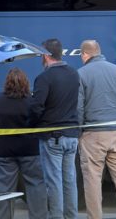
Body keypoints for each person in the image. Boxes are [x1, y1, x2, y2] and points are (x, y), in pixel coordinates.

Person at [77, 40, 116, 219]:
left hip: (93, 133)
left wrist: (79, 133)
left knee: (92, 179)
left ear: (85, 54)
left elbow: (79, 107)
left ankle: (95, 216)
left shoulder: (81, 74)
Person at [28, 38, 80, 219]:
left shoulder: (44, 77)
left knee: (54, 182)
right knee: (69, 181)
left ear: (45, 55)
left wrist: (32, 124)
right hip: (72, 135)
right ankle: (71, 216)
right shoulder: (74, 74)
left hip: (52, 137)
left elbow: (36, 106)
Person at [0, 68, 47, 219]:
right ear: (26, 83)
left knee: (3, 189)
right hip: (30, 150)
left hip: (4, 151)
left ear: (7, 83)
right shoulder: (32, 102)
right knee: (36, 186)